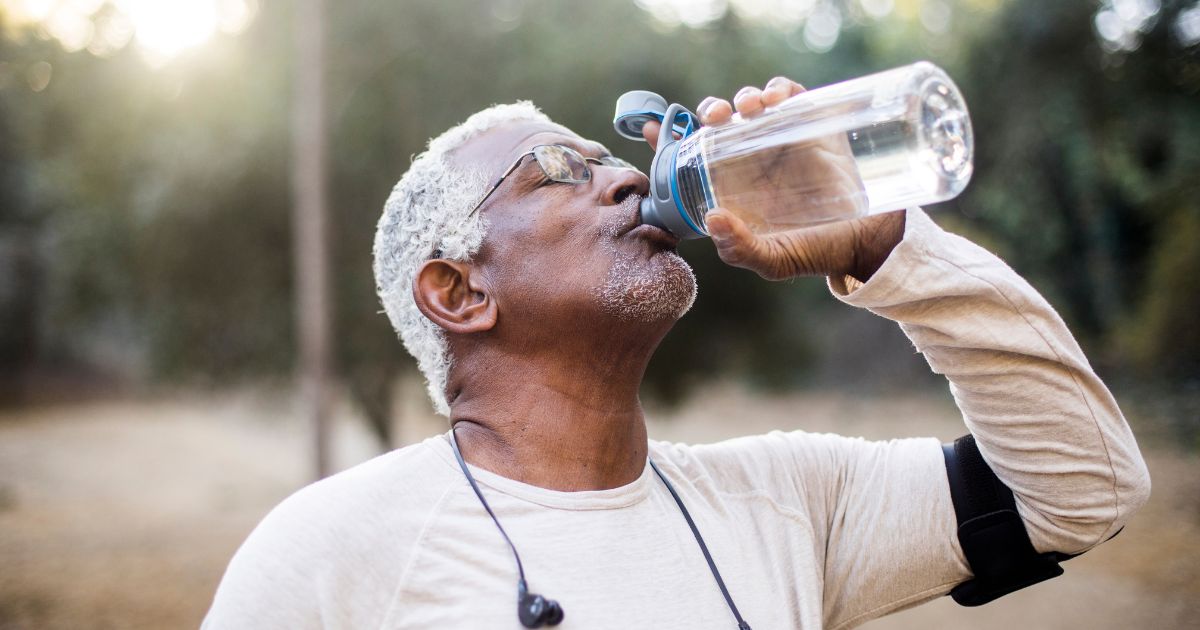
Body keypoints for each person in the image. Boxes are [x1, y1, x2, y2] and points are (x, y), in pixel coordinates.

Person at [202, 77, 1150, 629]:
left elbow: (1086, 489)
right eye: (560, 170)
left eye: (607, 157)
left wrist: (884, 249)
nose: (622, 177)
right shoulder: (329, 555)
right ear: (460, 291)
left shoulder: (788, 501)